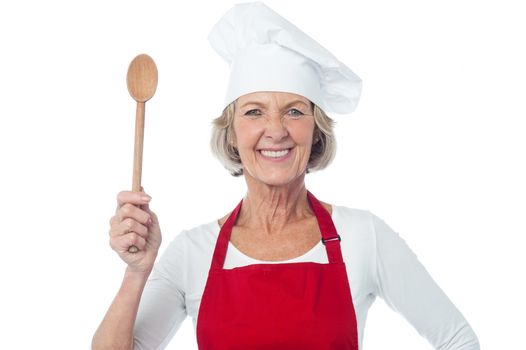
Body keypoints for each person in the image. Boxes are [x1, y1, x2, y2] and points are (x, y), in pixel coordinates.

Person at [92, 2, 480, 349]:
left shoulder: (363, 236)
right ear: (231, 132)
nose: (275, 130)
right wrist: (136, 272)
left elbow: (458, 340)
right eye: (254, 112)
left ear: (316, 132)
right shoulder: (193, 251)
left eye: (294, 111)